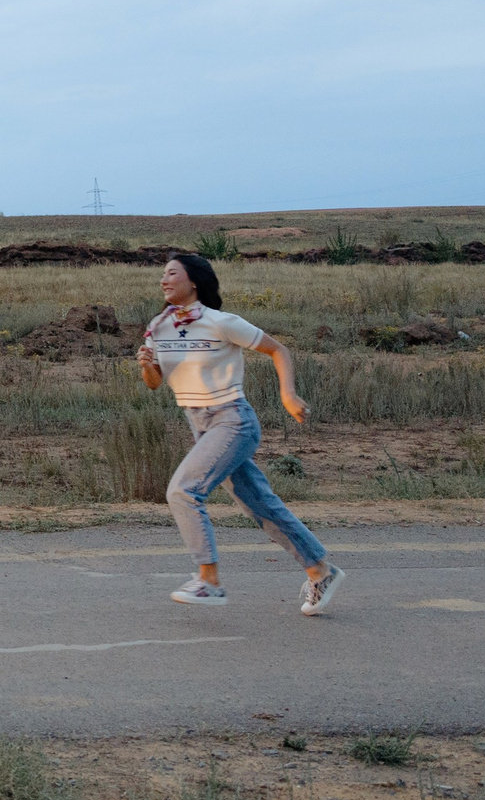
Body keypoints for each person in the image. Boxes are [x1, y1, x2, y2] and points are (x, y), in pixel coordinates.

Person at [139, 252, 342, 615]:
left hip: (233, 420)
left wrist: (288, 394)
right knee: (259, 504)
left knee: (183, 491)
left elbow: (277, 350)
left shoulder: (221, 322)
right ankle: (320, 570)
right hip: (199, 424)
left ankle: (209, 581)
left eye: (172, 273)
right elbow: (154, 383)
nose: (163, 280)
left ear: (194, 281)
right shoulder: (159, 325)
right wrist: (147, 366)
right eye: (163, 275)